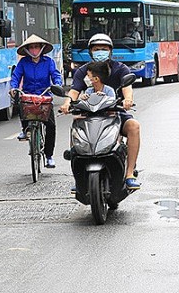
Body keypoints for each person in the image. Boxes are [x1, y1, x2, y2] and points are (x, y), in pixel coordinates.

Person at [59, 34, 142, 189]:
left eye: (104, 49)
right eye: (97, 49)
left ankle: (129, 173)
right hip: (88, 115)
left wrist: (127, 100)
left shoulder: (120, 68)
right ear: (90, 52)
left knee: (134, 126)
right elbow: (74, 91)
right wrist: (66, 104)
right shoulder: (83, 71)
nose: (100, 52)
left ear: (110, 51)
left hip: (115, 113)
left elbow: (127, 89)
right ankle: (79, 178)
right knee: (75, 125)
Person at [10, 34, 63, 168]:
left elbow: (55, 75)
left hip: (44, 96)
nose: (34, 50)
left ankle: (49, 156)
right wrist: (14, 87)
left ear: (41, 48)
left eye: (36, 47)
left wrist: (57, 84)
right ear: (27, 50)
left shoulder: (48, 62)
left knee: (51, 126)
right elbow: (16, 76)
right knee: (20, 103)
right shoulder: (23, 63)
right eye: (31, 47)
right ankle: (25, 129)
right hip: (28, 95)